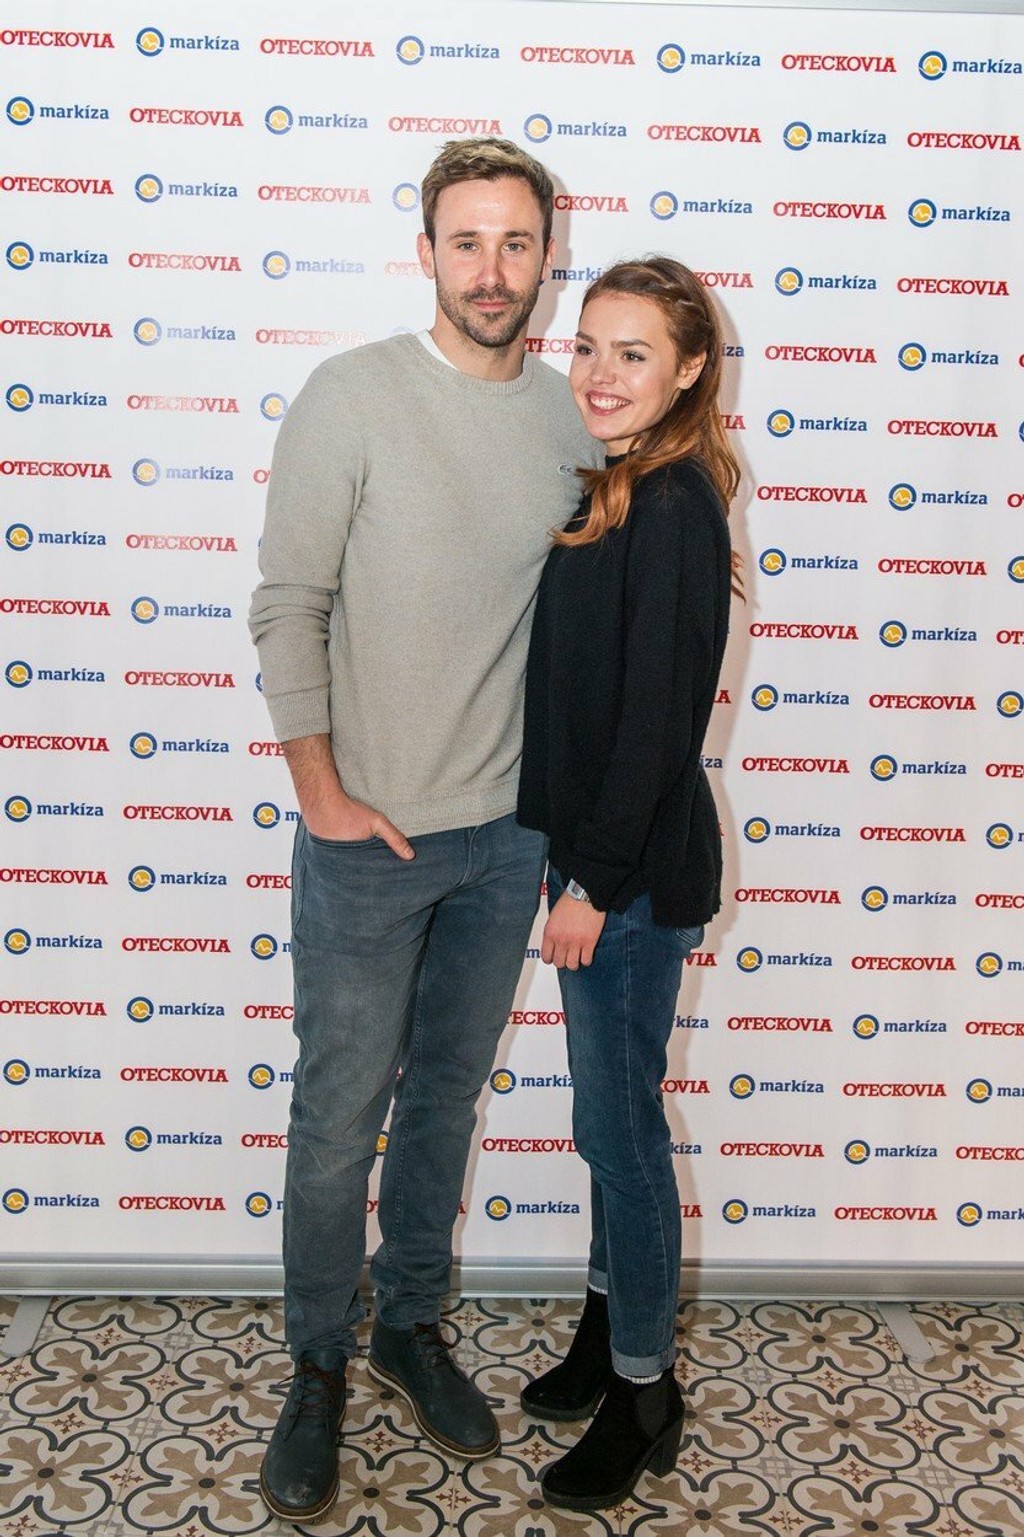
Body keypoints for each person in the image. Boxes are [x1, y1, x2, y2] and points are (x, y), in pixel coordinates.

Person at [248, 138, 597, 1523]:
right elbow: (290, 603)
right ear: (427, 253)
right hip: (367, 841)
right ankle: (317, 1362)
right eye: (468, 241)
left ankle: (407, 1327)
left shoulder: (569, 417)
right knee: (339, 1115)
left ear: (548, 256)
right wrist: (321, 791)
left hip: (505, 842)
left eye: (516, 243)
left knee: (445, 1099)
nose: (492, 271)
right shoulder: (353, 396)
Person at [516, 257, 739, 1512]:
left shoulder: (672, 505)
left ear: (689, 369)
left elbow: (657, 721)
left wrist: (590, 884)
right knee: (608, 1121)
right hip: (599, 861)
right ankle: (606, 1337)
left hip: (633, 879)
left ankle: (646, 1391)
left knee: (620, 1134)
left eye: (633, 353)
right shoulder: (617, 483)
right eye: (588, 346)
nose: (599, 374)